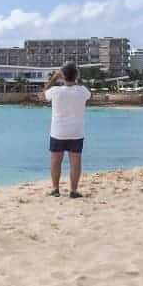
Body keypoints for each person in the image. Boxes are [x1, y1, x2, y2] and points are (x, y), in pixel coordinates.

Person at [43, 63, 91, 198]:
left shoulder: (55, 91)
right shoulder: (82, 91)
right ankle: (74, 191)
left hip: (58, 131)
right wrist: (79, 78)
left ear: (62, 76)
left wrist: (54, 78)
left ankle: (55, 189)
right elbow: (88, 92)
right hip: (76, 131)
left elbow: (44, 93)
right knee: (75, 162)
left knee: (55, 161)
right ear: (76, 76)